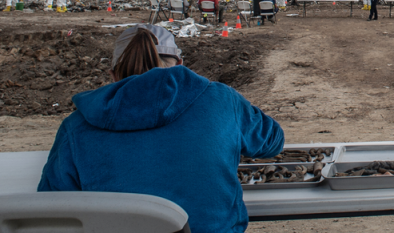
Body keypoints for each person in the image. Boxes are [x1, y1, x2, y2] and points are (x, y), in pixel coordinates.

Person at [37, 24, 284, 233]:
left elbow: (54, 210)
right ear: (180, 63)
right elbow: (273, 141)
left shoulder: (75, 127)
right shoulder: (221, 100)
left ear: (113, 74)